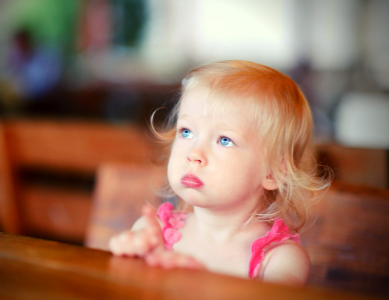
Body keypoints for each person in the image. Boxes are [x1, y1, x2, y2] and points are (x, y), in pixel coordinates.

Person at [109, 60, 331, 286]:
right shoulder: (152, 232)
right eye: (186, 132)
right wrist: (130, 259)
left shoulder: (280, 259)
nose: (194, 153)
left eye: (224, 140)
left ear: (273, 173)